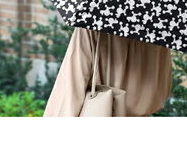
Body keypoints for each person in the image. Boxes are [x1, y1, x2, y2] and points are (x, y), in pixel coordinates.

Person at [44, 28, 172, 117]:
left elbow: (72, 85)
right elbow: (163, 88)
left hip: (101, 113)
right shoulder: (162, 24)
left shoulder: (93, 18)